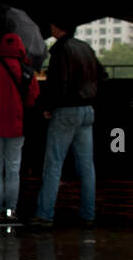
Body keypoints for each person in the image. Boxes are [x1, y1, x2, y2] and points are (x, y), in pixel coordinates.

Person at [33, 23, 106, 228]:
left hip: (66, 111)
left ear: (57, 28)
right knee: (87, 166)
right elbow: (102, 76)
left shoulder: (60, 50)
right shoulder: (85, 47)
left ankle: (45, 214)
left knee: (54, 164)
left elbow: (58, 83)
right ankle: (88, 214)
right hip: (87, 110)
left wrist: (48, 106)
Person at [0, 32, 40, 222]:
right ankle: (11, 210)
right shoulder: (26, 70)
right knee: (13, 170)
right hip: (16, 128)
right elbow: (32, 98)